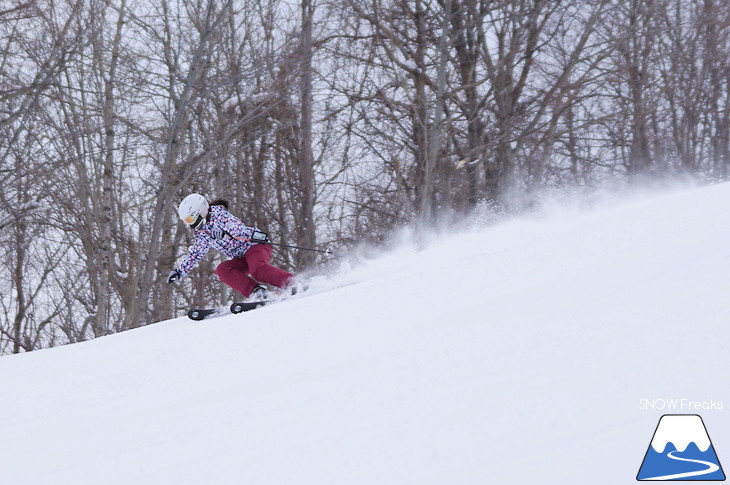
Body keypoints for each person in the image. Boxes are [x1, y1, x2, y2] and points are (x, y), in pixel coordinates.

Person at [167, 193, 294, 300]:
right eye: (186, 221)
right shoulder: (202, 233)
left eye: (190, 219)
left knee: (257, 270)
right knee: (223, 269)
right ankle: (257, 293)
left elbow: (239, 228)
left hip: (254, 245)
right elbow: (195, 254)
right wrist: (179, 272)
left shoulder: (220, 215)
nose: (190, 224)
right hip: (241, 257)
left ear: (200, 211)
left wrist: (225, 233)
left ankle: (292, 283)